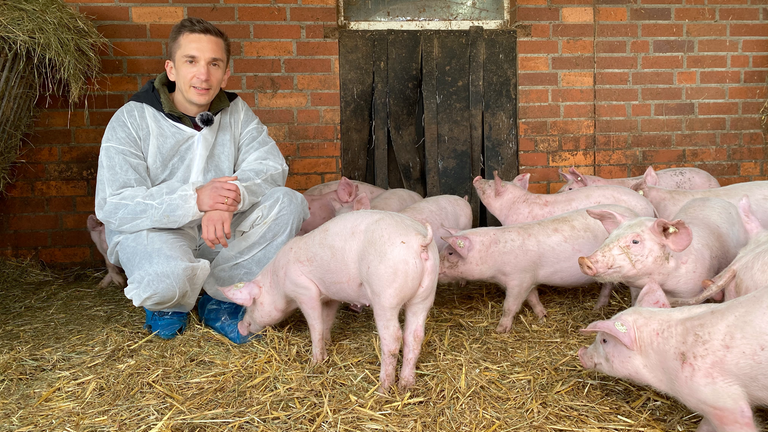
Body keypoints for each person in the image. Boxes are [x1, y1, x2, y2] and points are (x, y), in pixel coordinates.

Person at [94, 17, 308, 343]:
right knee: (166, 282)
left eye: (214, 64)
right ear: (171, 69)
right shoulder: (133, 119)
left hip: (219, 232)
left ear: (226, 74)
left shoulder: (236, 112)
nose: (203, 75)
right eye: (191, 61)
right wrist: (195, 199)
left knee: (288, 202)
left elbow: (268, 166)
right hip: (159, 233)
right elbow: (115, 203)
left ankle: (222, 299)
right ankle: (169, 305)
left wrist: (227, 198)